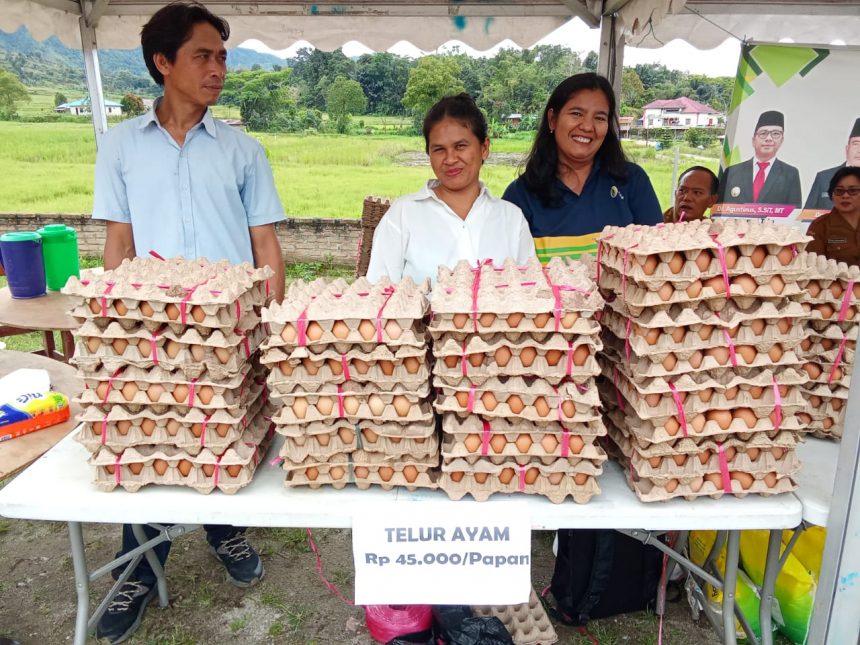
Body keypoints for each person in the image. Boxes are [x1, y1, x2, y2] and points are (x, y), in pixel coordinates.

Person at [92, 3, 285, 643]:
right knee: (151, 439)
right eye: (203, 55)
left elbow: (267, 250)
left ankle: (226, 533)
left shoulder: (242, 149)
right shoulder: (120, 146)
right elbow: (117, 245)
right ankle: (138, 570)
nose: (218, 69)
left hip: (228, 332)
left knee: (225, 433)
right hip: (151, 333)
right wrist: (108, 336)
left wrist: (272, 330)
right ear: (163, 62)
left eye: (223, 56)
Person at [366, 93, 534, 284]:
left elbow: (527, 293)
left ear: (484, 148)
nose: (450, 159)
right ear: (429, 153)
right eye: (439, 149)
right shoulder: (402, 216)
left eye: (461, 146)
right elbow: (379, 294)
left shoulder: (511, 219)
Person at [502, 73, 662, 263]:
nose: (587, 126)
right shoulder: (520, 195)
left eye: (600, 118)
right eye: (576, 114)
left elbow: (657, 259)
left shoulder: (632, 181)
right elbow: (508, 273)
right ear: (553, 119)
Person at [717, 110, 802, 207]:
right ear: (753, 140)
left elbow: (794, 213)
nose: (769, 138)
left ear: (782, 140)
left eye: (775, 134)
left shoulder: (790, 174)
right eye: (763, 133)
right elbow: (719, 208)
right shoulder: (732, 172)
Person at [806, 167, 860, 266]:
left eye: (853, 191)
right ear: (832, 195)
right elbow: (812, 268)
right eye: (839, 191)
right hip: (835, 281)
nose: (845, 196)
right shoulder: (820, 226)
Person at [804, 117, 860, 210]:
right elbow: (806, 216)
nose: (859, 150)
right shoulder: (824, 177)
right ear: (847, 149)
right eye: (856, 144)